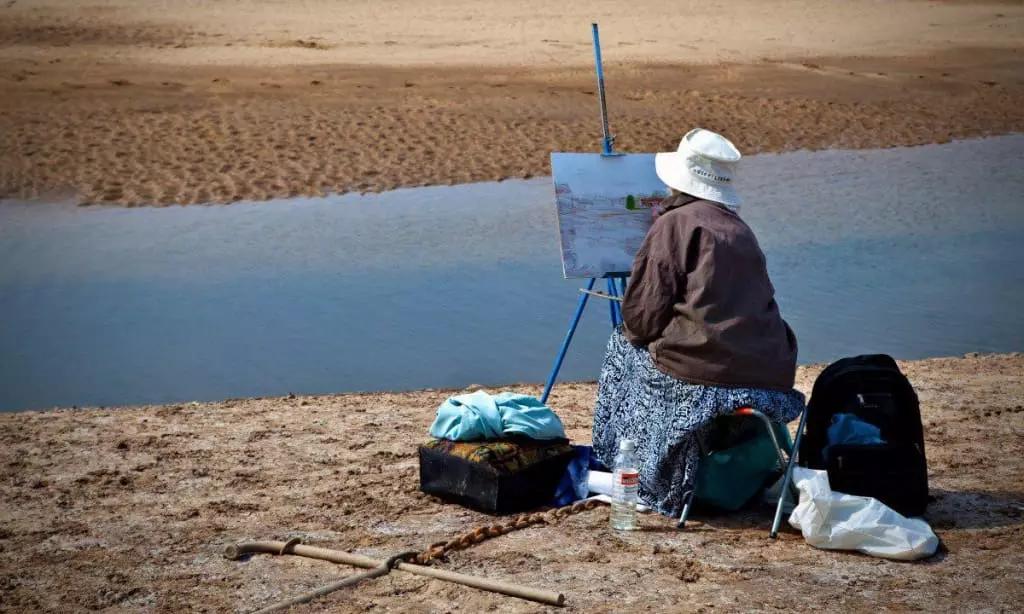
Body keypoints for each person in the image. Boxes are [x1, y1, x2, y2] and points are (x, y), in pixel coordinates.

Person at [592, 128, 805, 517]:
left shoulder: (674, 224)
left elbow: (640, 320)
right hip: (771, 376)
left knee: (622, 346)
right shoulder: (739, 227)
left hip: (709, 382)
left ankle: (637, 470)